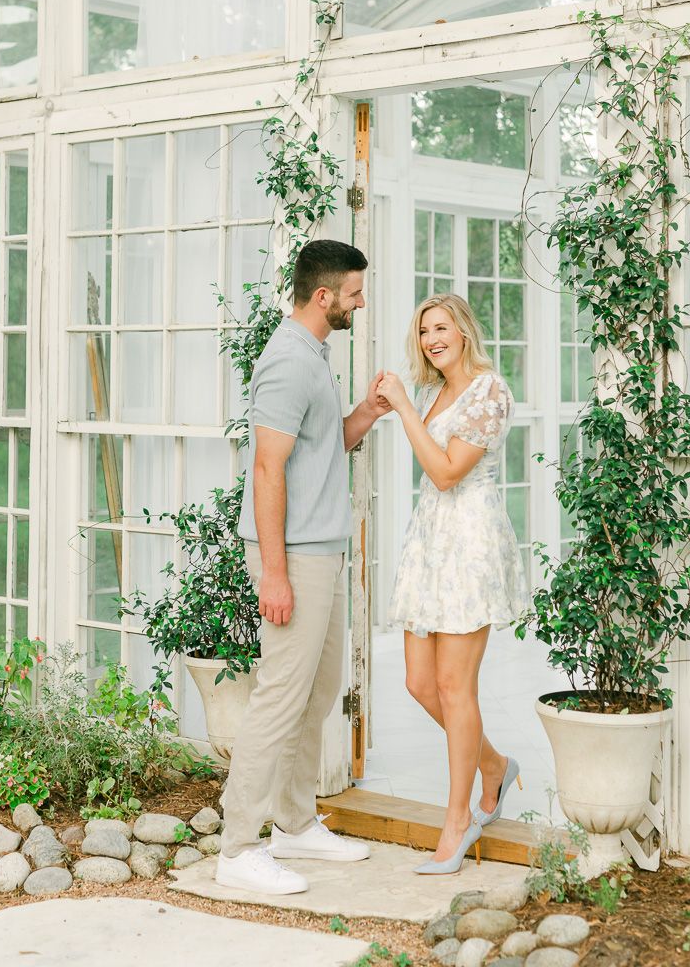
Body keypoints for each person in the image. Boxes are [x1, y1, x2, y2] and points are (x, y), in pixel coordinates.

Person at [216, 239, 387, 896]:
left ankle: (293, 824)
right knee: (279, 697)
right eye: (353, 292)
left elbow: (319, 450)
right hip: (295, 555)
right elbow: (267, 469)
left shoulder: (315, 355)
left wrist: (366, 415)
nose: (359, 301)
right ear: (324, 297)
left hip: (321, 547)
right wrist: (276, 573)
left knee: (318, 691)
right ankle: (237, 848)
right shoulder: (288, 361)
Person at [376, 293, 530, 875]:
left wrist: (406, 412)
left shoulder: (489, 390)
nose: (431, 338)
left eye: (441, 327)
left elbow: (444, 473)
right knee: (420, 683)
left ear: (464, 331)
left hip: (469, 543)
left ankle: (458, 818)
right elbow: (428, 470)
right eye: (423, 332)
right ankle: (494, 766)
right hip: (431, 542)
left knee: (454, 685)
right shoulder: (430, 392)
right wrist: (395, 405)